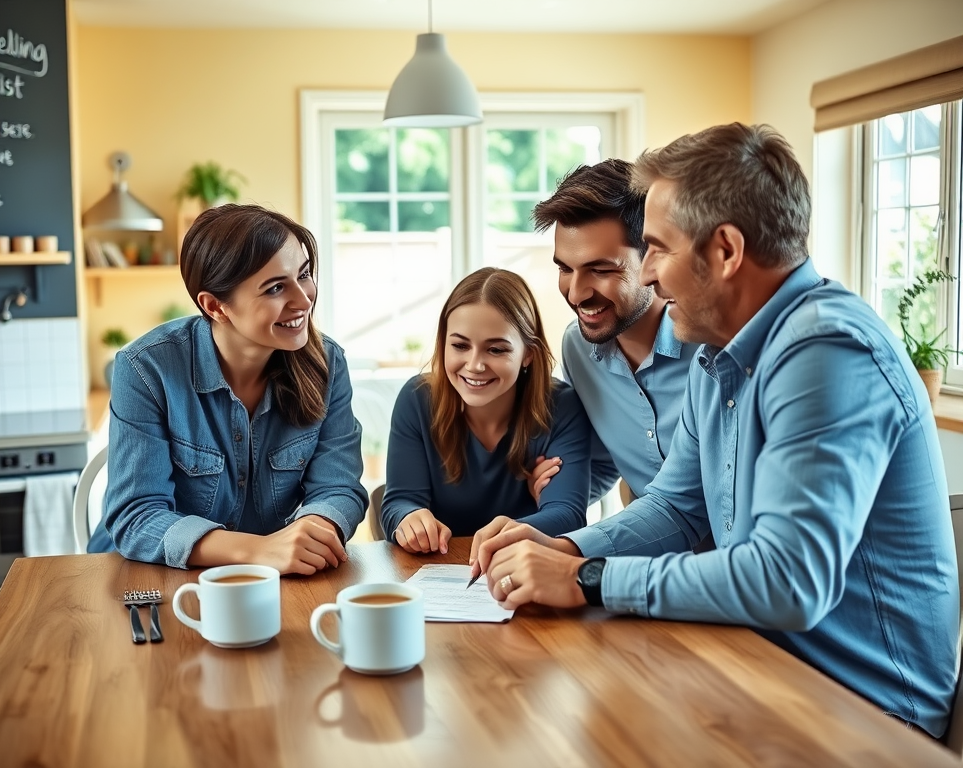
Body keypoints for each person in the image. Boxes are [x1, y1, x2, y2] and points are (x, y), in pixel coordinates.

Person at [472, 123, 959, 738]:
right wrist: (565, 551)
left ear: (725, 250)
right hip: (761, 665)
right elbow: (676, 508)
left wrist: (587, 580)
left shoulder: (826, 351)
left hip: (865, 712)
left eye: (657, 248)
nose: (646, 274)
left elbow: (788, 580)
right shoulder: (718, 350)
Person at [88, 204, 367, 575]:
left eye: (304, 275)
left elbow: (338, 487)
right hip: (149, 577)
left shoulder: (328, 363)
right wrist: (260, 550)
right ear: (216, 306)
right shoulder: (145, 369)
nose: (304, 300)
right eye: (276, 288)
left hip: (272, 578)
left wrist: (315, 531)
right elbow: (137, 517)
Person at [381, 267, 592, 554]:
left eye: (496, 350)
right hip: (438, 572)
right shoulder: (417, 399)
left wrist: (509, 532)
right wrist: (408, 518)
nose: (475, 365)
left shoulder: (561, 407)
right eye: (460, 346)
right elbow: (399, 502)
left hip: (524, 570)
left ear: (528, 353)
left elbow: (568, 514)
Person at [525, 159, 698, 506]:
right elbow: (605, 463)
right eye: (565, 268)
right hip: (647, 551)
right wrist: (551, 491)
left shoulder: (710, 345)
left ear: (653, 258)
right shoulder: (578, 346)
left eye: (601, 269)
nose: (575, 294)